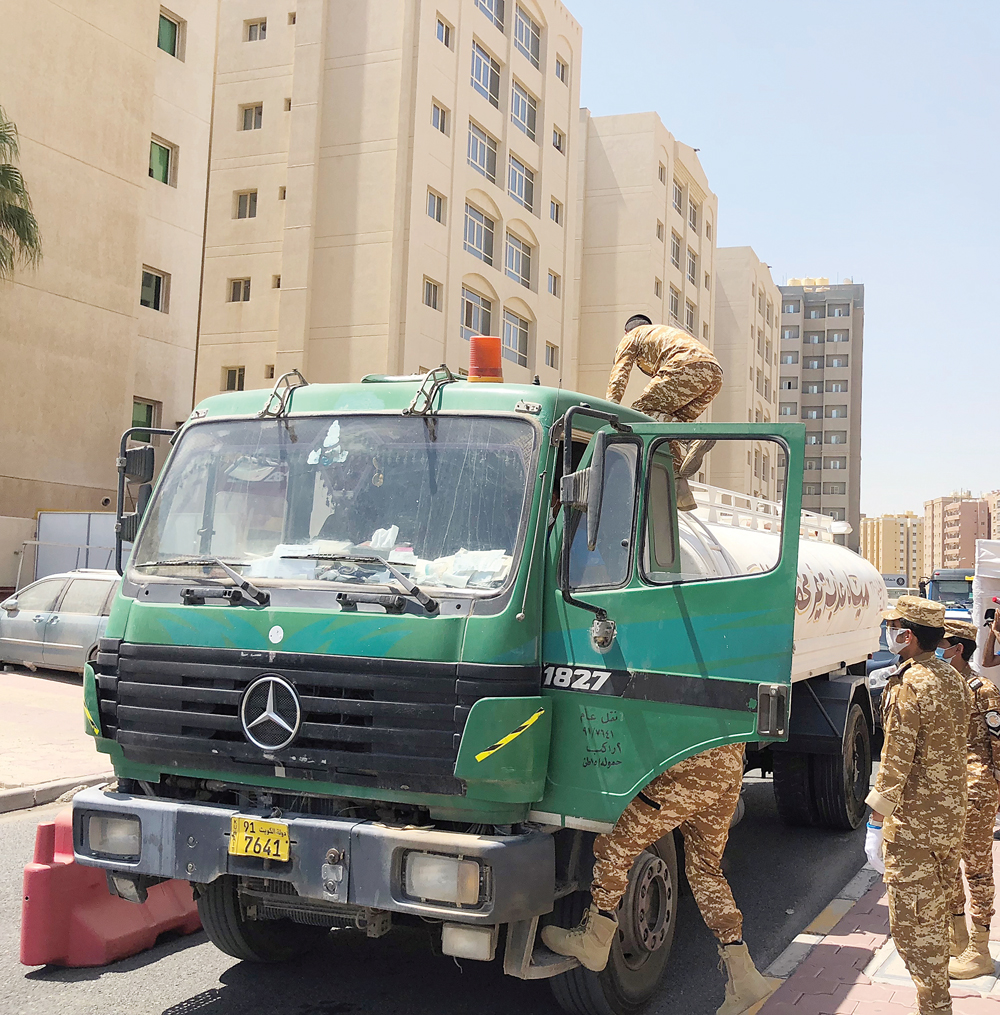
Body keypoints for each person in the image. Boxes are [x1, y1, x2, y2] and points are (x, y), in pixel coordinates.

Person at [541, 743, 773, 1015]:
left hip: (693, 764)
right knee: (705, 869)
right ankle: (741, 971)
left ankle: (596, 935)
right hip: (728, 763)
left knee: (617, 841)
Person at [865, 596, 972, 1014]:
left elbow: (894, 764)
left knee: (914, 926)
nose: (889, 635)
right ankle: (937, 996)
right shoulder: (953, 678)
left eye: (893, 628)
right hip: (949, 820)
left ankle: (935, 1006)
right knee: (940, 910)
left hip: (913, 829)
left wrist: (876, 824)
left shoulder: (909, 685)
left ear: (907, 636)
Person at [605, 315, 724, 511]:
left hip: (686, 365)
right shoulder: (660, 334)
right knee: (669, 427)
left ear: (627, 331)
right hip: (714, 375)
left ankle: (693, 438)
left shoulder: (632, 336)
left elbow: (620, 372)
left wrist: (611, 408)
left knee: (642, 412)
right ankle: (680, 489)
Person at [942, 618, 1000, 978]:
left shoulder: (983, 689)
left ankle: (980, 949)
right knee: (947, 865)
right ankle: (958, 935)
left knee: (977, 870)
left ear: (958, 648)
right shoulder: (946, 686)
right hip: (948, 790)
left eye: (943, 644)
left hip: (977, 789)